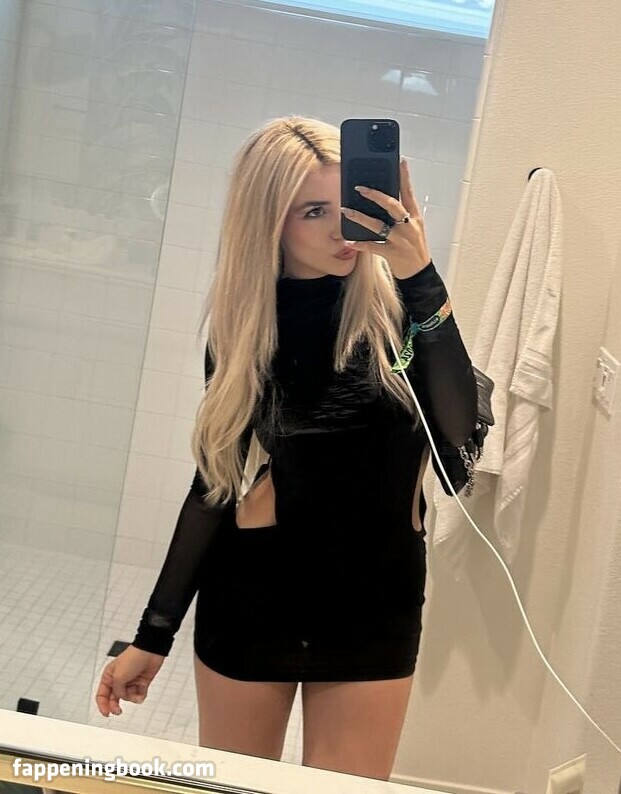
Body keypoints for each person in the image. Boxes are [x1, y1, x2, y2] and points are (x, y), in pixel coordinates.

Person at [95, 116, 479, 780]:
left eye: (345, 205)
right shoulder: (243, 329)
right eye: (312, 211)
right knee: (238, 790)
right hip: (253, 601)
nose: (341, 230)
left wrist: (420, 275)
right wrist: (153, 634)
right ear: (268, 222)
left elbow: (458, 431)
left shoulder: (401, 311)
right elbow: (214, 485)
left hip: (374, 604)